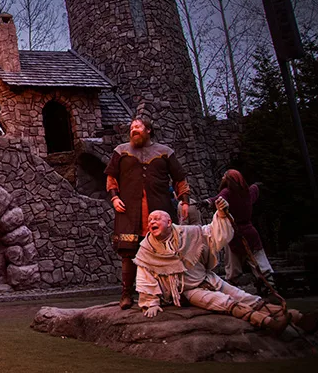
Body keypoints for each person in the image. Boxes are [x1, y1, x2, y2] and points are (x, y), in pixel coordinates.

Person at [134, 205, 317, 334]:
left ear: (168, 222)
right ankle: (268, 323)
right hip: (188, 291)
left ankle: (297, 318)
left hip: (208, 279)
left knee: (246, 297)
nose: (152, 222)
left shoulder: (188, 232)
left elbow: (212, 233)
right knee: (224, 301)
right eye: (150, 220)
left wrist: (221, 215)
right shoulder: (147, 248)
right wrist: (151, 302)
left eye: (157, 218)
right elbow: (144, 275)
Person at [105, 117, 190, 309]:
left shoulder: (165, 152)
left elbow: (179, 178)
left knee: (166, 251)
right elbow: (112, 178)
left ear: (148, 130)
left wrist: (185, 201)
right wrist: (114, 198)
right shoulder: (121, 151)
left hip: (160, 210)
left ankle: (172, 293)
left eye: (138, 127)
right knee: (128, 251)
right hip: (129, 210)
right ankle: (126, 294)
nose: (134, 130)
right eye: (132, 127)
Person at [207, 170, 274, 287]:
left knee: (233, 269)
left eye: (224, 176)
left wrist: (207, 202)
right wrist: (257, 186)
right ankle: (270, 284)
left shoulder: (227, 192)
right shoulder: (247, 192)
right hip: (249, 232)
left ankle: (266, 286)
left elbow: (217, 199)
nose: (222, 178)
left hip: (234, 234)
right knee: (260, 264)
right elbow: (254, 190)